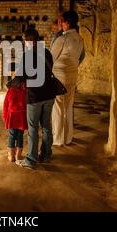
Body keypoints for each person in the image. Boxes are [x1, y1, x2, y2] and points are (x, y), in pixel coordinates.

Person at [15, 28, 57, 169]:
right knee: (46, 126)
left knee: (33, 128)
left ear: (28, 40)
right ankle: (46, 154)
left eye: (24, 40)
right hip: (50, 94)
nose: (24, 43)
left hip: (35, 96)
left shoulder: (27, 56)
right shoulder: (46, 52)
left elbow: (20, 77)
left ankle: (31, 160)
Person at [51, 10, 84, 146]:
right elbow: (81, 57)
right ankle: (68, 138)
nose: (60, 24)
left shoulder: (62, 39)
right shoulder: (79, 39)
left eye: (61, 21)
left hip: (60, 76)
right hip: (73, 75)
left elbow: (50, 58)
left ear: (67, 23)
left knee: (58, 107)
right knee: (69, 106)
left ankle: (58, 139)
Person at [3, 77, 27, 162]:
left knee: (12, 136)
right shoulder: (25, 91)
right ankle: (18, 155)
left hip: (12, 117)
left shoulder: (10, 91)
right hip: (21, 117)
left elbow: (5, 105)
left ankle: (11, 156)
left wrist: (5, 117)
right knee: (20, 136)